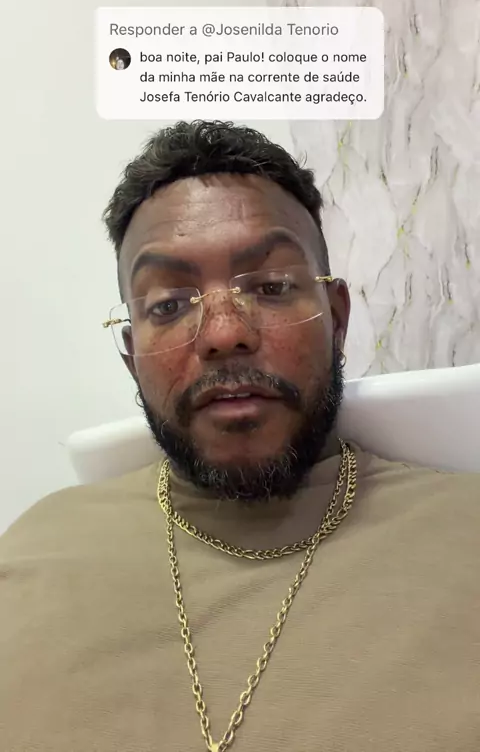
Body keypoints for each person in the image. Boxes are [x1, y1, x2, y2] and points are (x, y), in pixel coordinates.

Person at [1, 120, 479, 752]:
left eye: (273, 287)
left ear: (336, 320)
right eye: (169, 304)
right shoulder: (31, 554)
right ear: (131, 355)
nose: (224, 333)